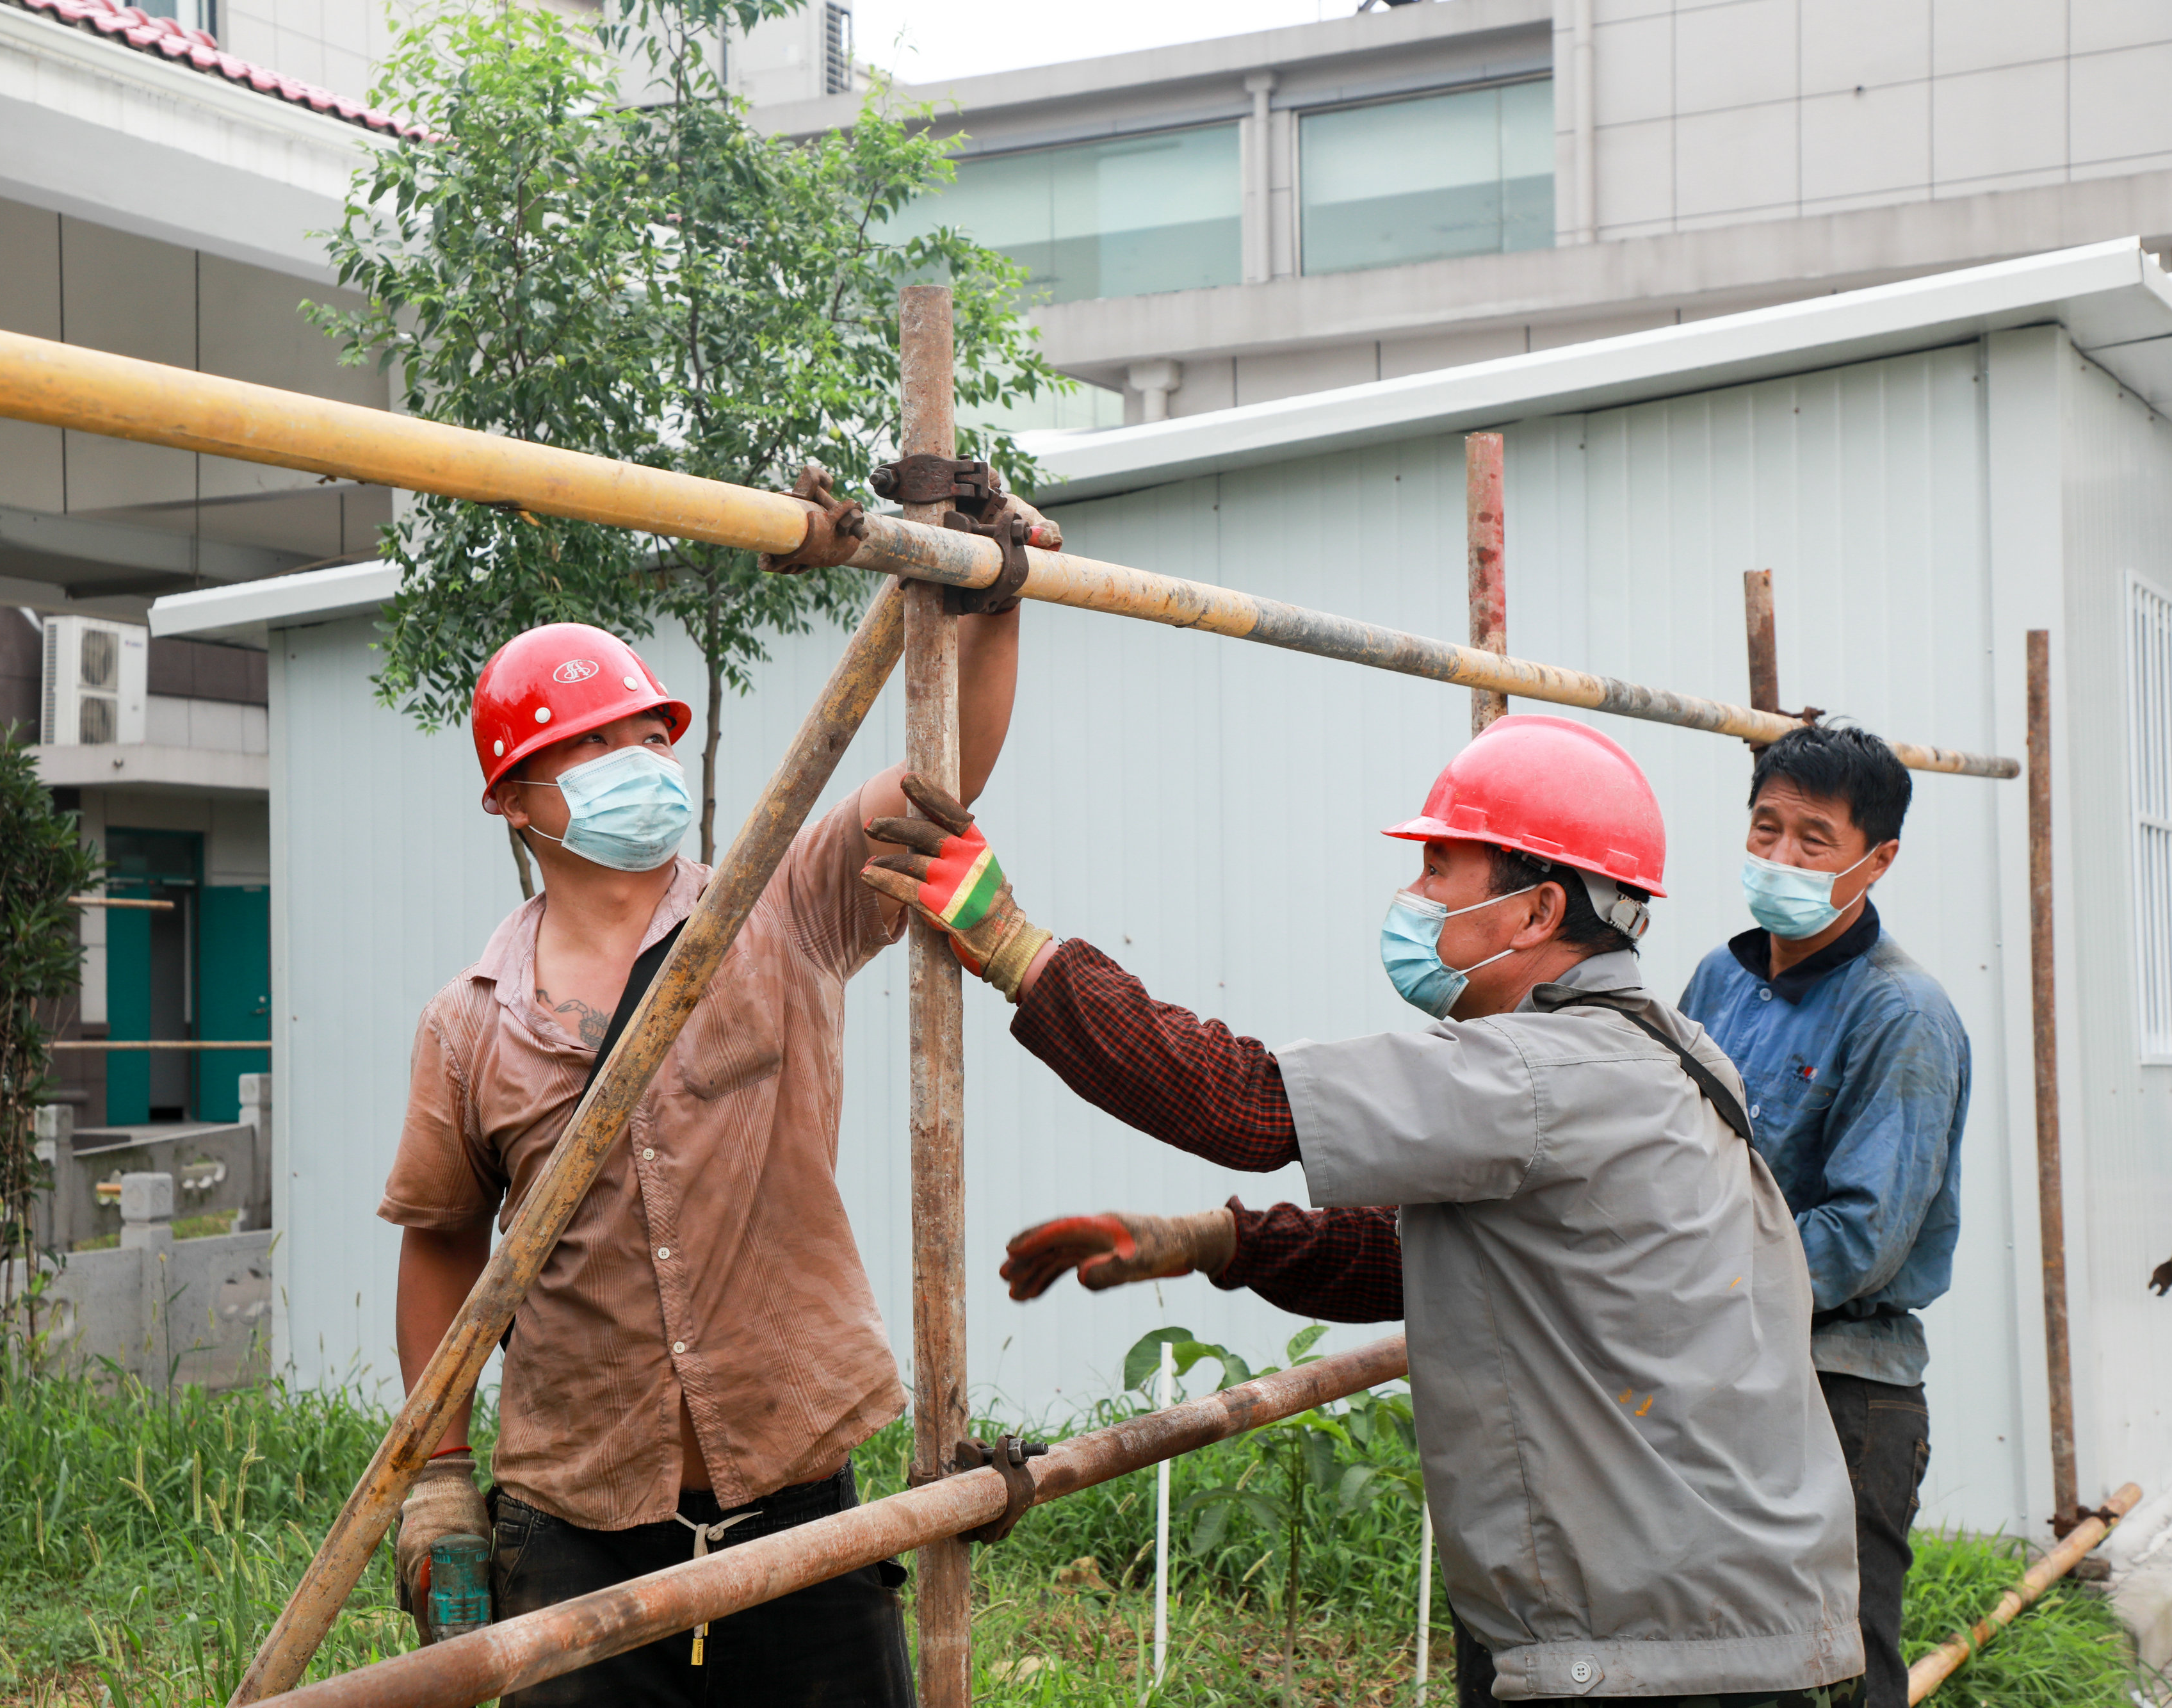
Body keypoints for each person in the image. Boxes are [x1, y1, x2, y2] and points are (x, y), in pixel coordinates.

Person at [865, 713, 1864, 1708]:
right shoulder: (1667, 1047)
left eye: (1439, 869)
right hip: (1728, 1614)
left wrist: (1013, 946)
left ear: (1535, 910)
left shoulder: (1539, 1070)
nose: (1413, 899)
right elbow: (1435, 1259)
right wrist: (1216, 1242)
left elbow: (1249, 1101)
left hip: (1658, 1649)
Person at [377, 603, 1021, 1706]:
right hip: (574, 1523)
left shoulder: (779, 905)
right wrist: (436, 1481)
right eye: (585, 744)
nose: (630, 760)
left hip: (800, 1499)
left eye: (644, 734)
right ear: (512, 799)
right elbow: (443, 1248)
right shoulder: (470, 1024)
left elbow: (934, 774)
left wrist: (992, 600)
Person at [1680, 724, 1970, 1708]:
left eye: (1814, 841)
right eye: (1766, 829)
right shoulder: (1720, 981)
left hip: (1838, 1389)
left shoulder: (1903, 1013)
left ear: (1877, 860)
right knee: (1710, 1659)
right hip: (1715, 1372)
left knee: (1839, 1668)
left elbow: (1861, 1236)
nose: (1780, 859)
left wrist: (1695, 1293)